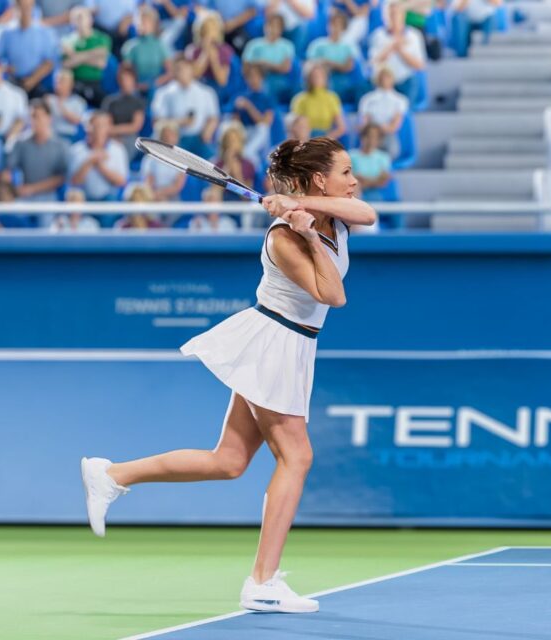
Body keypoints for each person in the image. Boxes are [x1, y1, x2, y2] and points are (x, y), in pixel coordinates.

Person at [80, 136, 377, 616]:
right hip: (274, 343)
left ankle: (111, 474)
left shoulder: (337, 212)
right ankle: (262, 581)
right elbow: (332, 295)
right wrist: (301, 230)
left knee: (229, 460)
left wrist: (301, 203)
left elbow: (368, 213)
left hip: (291, 344)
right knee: (297, 457)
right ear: (322, 178)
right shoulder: (283, 238)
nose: (354, 180)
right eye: (346, 172)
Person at [151, 55, 221, 157]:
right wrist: (181, 122)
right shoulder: (164, 93)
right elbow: (158, 122)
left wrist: (207, 133)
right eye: (179, 69)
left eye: (185, 68)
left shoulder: (206, 92)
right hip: (176, 140)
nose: (182, 72)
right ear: (174, 71)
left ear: (192, 69)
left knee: (214, 160)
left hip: (200, 139)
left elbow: (213, 117)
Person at [0, 0, 59, 99]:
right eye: (21, 6)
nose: (25, 10)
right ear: (15, 7)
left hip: (38, 83)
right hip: (11, 83)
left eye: (28, 6)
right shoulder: (4, 32)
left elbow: (50, 61)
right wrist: (5, 68)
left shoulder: (44, 32)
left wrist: (32, 80)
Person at [6, 98, 69, 203]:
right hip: (23, 196)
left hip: (48, 197)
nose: (33, 121)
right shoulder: (20, 143)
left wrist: (33, 189)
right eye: (31, 117)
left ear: (49, 119)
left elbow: (62, 177)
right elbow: (8, 171)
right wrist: (15, 186)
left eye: (37, 117)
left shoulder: (61, 145)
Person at [368, 1, 427, 104]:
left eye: (396, 15)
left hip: (406, 81)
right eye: (390, 15)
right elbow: (373, 62)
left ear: (403, 16)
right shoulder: (378, 35)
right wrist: (392, 46)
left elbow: (420, 65)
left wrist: (400, 50)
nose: (393, 18)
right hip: (383, 82)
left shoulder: (414, 35)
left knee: (413, 81)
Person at [68, 110, 128, 201]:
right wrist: (90, 161)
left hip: (109, 201)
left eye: (101, 126)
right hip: (83, 200)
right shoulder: (76, 149)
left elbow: (121, 181)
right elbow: (74, 182)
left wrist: (99, 165)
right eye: (94, 125)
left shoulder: (117, 149)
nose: (96, 130)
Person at [61, 6, 111, 107]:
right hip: (75, 84)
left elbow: (101, 63)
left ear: (90, 20)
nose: (79, 22)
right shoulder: (67, 40)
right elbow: (66, 64)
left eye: (82, 18)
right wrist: (92, 55)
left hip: (95, 83)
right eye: (76, 18)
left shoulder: (102, 38)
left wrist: (75, 56)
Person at [305, 12, 360, 102]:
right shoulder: (317, 44)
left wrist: (328, 62)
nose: (335, 28)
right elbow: (309, 65)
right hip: (318, 77)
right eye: (333, 24)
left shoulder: (349, 46)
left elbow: (349, 66)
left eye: (339, 25)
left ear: (344, 28)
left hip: (341, 79)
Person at [242, 14, 296, 104]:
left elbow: (286, 68)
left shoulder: (287, 46)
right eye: (270, 25)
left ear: (281, 29)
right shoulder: (253, 45)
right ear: (265, 26)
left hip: (277, 80)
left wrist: (264, 63)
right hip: (255, 78)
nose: (273, 29)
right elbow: (245, 68)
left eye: (277, 26)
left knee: (271, 86)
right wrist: (268, 67)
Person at [358, 66, 409, 158]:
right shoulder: (367, 99)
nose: (384, 80)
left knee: (390, 150)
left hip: (387, 134)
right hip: (371, 133)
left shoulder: (401, 100)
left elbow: (394, 126)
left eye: (387, 77)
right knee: (369, 140)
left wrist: (380, 128)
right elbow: (365, 122)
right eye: (382, 77)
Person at [120, 5, 172, 91]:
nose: (141, 24)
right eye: (140, 21)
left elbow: (170, 72)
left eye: (145, 22)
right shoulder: (130, 46)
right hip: (136, 86)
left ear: (154, 24)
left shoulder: (160, 45)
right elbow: (125, 71)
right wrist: (136, 85)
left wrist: (156, 82)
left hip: (156, 85)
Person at [101, 64, 147, 157]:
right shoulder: (110, 100)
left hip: (129, 138)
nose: (125, 82)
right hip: (110, 136)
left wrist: (114, 131)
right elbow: (106, 122)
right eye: (123, 79)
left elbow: (135, 126)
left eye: (128, 79)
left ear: (134, 80)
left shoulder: (139, 101)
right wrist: (113, 136)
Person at [290, 63, 346, 139]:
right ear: (307, 78)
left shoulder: (332, 98)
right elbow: (295, 127)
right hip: (305, 139)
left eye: (320, 75)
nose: (317, 78)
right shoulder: (300, 99)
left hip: (326, 139)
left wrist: (324, 140)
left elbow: (341, 128)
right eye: (314, 76)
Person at [232, 64, 276, 161]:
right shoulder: (242, 97)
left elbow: (266, 122)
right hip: (244, 131)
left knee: (263, 128)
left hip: (259, 135)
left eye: (255, 76)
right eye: (250, 76)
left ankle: (246, 153)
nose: (253, 79)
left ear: (261, 78)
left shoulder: (267, 98)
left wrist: (249, 106)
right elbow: (235, 120)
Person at [186, 12, 234, 92]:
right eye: (206, 29)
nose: (210, 33)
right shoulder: (193, 50)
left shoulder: (225, 50)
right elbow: (194, 75)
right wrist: (205, 53)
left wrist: (214, 59)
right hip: (198, 89)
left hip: (218, 90)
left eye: (213, 29)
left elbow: (222, 80)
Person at [142, 120, 188, 201]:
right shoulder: (150, 158)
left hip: (172, 197)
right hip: (153, 196)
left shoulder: (182, 160)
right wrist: (155, 195)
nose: (168, 138)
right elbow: (148, 182)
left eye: (172, 135)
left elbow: (178, 185)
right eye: (165, 135)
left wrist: (161, 193)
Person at [350, 123, 392, 201]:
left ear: (379, 140)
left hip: (378, 196)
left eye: (375, 137)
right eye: (368, 136)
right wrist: (374, 180)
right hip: (355, 195)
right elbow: (350, 179)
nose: (371, 140)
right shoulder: (351, 155)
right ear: (362, 137)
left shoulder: (383, 157)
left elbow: (383, 181)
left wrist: (364, 182)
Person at [214, 120, 257, 189]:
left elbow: (247, 197)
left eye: (234, 140)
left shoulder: (248, 165)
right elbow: (214, 194)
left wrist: (237, 172)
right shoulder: (218, 164)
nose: (231, 144)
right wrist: (226, 167)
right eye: (228, 140)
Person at [46, 69, 87, 141]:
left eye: (61, 82)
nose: (58, 85)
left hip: (69, 135)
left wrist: (61, 105)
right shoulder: (48, 99)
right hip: (51, 134)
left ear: (70, 84)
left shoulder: (78, 101)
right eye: (56, 82)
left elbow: (76, 120)